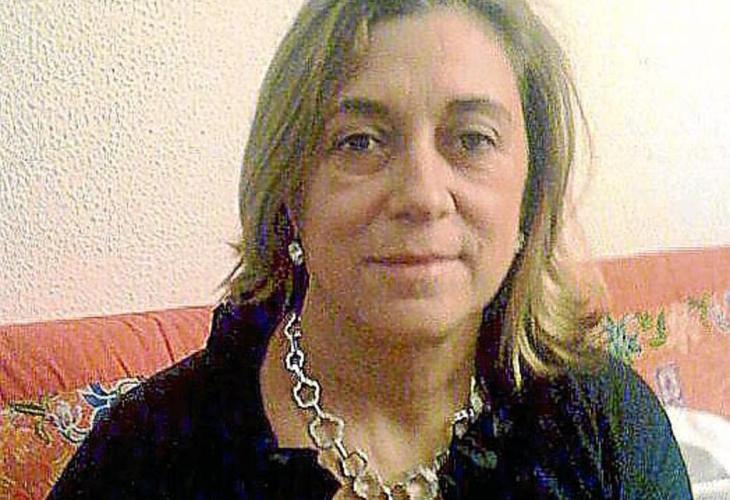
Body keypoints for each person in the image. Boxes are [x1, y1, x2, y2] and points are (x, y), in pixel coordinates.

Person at [50, 0, 691, 498]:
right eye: (359, 141)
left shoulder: (611, 428)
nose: (422, 196)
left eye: (472, 139)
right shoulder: (142, 459)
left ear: (530, 195)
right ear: (290, 192)